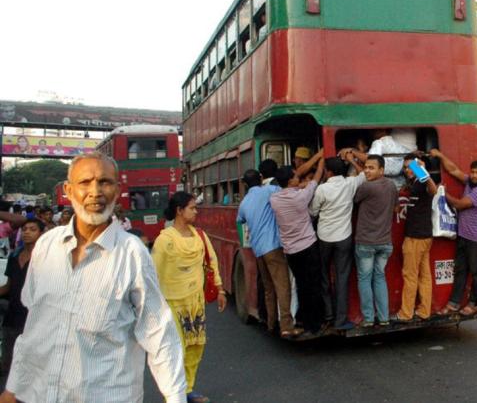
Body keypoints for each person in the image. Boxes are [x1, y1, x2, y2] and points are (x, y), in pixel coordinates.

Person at [0, 152, 186, 403]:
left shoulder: (132, 253)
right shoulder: (47, 246)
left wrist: (176, 397)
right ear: (68, 190)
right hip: (41, 394)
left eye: (105, 182)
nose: (95, 191)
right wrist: (13, 388)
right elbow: (35, 326)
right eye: (85, 182)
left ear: (117, 189)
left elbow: (159, 332)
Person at [152, 192, 227, 403]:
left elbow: (211, 262)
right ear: (179, 210)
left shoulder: (199, 236)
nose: (196, 211)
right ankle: (174, 395)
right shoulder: (164, 240)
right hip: (172, 304)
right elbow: (153, 274)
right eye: (192, 208)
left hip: (196, 303)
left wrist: (220, 290)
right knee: (177, 350)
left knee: (196, 347)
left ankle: (187, 389)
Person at [270, 152, 326, 335]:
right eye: (295, 176)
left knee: (303, 285)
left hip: (291, 250)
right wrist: (320, 162)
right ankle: (315, 322)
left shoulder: (275, 199)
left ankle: (305, 321)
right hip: (308, 246)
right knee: (314, 285)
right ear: (291, 180)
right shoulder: (300, 197)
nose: (298, 177)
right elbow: (315, 180)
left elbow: (305, 184)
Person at [310, 150, 366, 330]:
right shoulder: (350, 183)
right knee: (342, 278)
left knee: (325, 276)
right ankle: (341, 320)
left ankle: (328, 315)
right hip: (344, 237)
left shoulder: (322, 189)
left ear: (329, 172)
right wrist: (352, 160)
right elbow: (364, 173)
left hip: (324, 237)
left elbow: (313, 212)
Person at [432, 149, 477, 317]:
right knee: (460, 270)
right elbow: (453, 170)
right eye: (472, 172)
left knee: (476, 272)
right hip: (465, 236)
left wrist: (442, 193)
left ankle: (474, 303)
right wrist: (441, 155)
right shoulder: (469, 183)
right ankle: (454, 303)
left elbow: (458, 204)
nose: (473, 175)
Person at [236, 169, 294, 335]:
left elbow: (240, 220)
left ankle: (271, 323)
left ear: (246, 184)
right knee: (283, 286)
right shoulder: (269, 190)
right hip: (273, 246)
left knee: (269, 288)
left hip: (258, 249)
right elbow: (286, 191)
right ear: (261, 178)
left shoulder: (244, 202)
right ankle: (286, 325)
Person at [353, 155, 399, 327]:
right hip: (385, 242)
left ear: (382, 170)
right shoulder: (392, 186)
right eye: (365, 167)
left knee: (365, 279)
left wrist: (352, 163)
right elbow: (396, 208)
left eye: (371, 168)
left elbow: (355, 200)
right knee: (380, 278)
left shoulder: (367, 187)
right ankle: (384, 317)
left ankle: (368, 318)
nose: (366, 170)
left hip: (366, 242)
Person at [393, 154, 438, 323]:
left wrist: (419, 168)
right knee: (424, 276)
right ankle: (424, 311)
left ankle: (406, 313)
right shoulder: (414, 184)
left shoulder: (422, 181)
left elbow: (433, 190)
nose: (407, 170)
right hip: (425, 236)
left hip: (416, 238)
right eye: (405, 167)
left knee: (410, 276)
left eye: (410, 166)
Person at [0, 218, 44, 375]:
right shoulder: (14, 257)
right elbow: (8, 287)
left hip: (33, 319)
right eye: (24, 229)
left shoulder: (46, 259)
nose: (27, 232)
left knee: (29, 367)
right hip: (11, 317)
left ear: (41, 234)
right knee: (7, 363)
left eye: (33, 229)